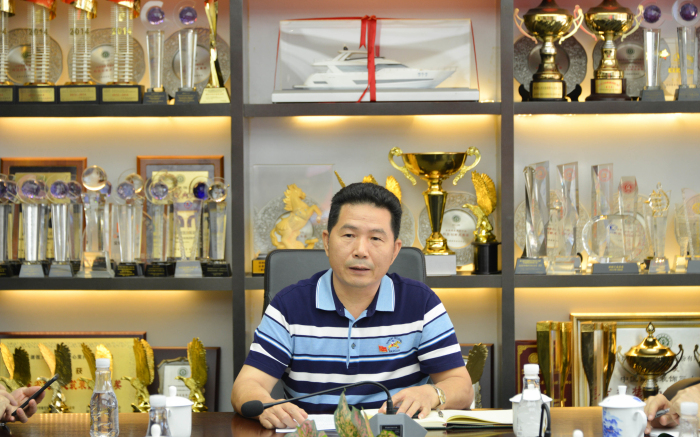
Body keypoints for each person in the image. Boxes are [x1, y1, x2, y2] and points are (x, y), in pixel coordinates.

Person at [231, 183, 473, 429]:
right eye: (349, 235)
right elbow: (247, 385)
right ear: (327, 242)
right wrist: (266, 405)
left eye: (376, 238)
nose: (360, 251)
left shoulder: (421, 303)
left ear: (394, 250)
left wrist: (432, 394)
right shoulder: (288, 305)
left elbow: (462, 386)